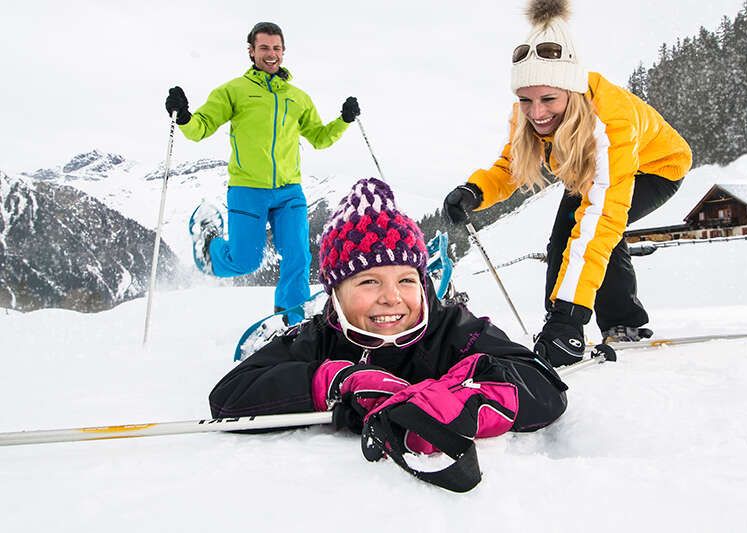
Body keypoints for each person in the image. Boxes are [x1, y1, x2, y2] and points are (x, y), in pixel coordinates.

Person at [209, 178, 568, 492]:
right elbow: (228, 398)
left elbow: (542, 385)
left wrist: (454, 402)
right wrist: (334, 380)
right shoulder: (321, 337)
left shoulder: (452, 328)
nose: (391, 297)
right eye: (368, 281)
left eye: (406, 280)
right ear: (335, 294)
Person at [442, 0, 692, 366]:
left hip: (655, 169)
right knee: (563, 237)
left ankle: (616, 324)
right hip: (588, 172)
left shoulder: (610, 121)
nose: (536, 112)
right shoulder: (527, 112)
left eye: (548, 100)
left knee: (595, 229)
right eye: (525, 100)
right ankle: (557, 328)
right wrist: (474, 191)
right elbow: (511, 165)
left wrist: (570, 317)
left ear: (571, 93)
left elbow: (601, 221)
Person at [165, 22, 360, 325]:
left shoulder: (297, 98)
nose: (271, 54)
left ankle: (291, 320)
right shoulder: (234, 91)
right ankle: (208, 247)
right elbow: (200, 129)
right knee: (245, 261)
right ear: (251, 51)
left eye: (277, 48)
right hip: (247, 189)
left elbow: (320, 138)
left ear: (284, 51)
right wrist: (185, 116)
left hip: (289, 191)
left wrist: (343, 120)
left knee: (298, 256)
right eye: (265, 48)